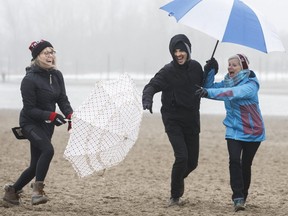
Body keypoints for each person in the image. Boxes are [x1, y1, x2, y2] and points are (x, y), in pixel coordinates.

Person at [142, 34, 218, 206]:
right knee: (182, 157)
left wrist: (211, 70)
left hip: (191, 120)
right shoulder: (168, 71)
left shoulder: (197, 67)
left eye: (182, 50)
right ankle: (175, 196)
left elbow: (204, 87)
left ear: (188, 51)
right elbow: (151, 86)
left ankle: (176, 180)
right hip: (173, 119)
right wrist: (147, 99)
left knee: (192, 163)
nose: (178, 54)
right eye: (175, 51)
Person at [3, 40, 73, 206]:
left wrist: (69, 113)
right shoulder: (29, 80)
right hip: (30, 123)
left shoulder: (57, 75)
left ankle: (11, 194)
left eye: (52, 52)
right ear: (37, 57)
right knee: (48, 150)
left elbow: (62, 99)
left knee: (35, 166)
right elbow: (29, 109)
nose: (50, 56)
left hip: (47, 125)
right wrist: (51, 114)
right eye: (45, 53)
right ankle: (37, 191)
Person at [195, 54, 265, 212]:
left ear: (243, 67)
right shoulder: (227, 82)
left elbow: (232, 93)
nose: (230, 67)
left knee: (245, 165)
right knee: (234, 161)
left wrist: (208, 93)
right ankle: (238, 198)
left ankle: (243, 196)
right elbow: (210, 88)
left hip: (253, 131)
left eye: (234, 65)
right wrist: (211, 69)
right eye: (229, 64)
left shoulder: (251, 85)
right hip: (233, 130)